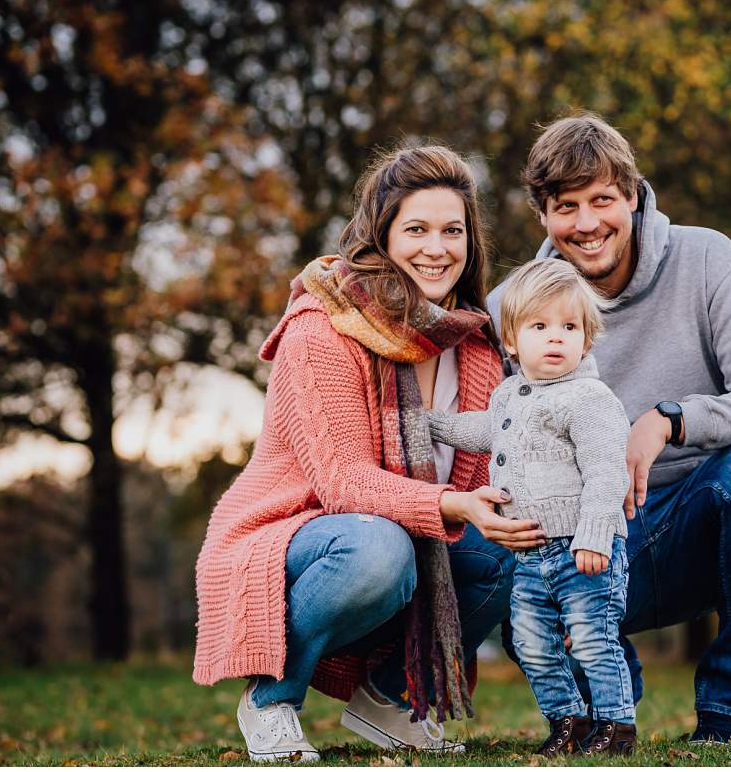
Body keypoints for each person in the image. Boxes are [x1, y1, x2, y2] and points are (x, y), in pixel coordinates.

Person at [193, 145, 540, 763]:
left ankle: (389, 701)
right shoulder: (323, 326)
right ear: (380, 235)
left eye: (452, 231)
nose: (437, 248)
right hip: (299, 537)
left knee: (514, 537)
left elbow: (490, 468)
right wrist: (454, 503)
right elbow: (343, 481)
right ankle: (271, 701)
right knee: (378, 548)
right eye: (417, 230)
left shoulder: (476, 341)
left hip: (413, 542)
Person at [487, 113, 731, 745]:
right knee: (494, 561)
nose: (586, 224)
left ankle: (726, 714)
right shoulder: (511, 306)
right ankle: (608, 688)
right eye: (566, 207)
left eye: (602, 201)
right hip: (584, 542)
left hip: (701, 518)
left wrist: (672, 420)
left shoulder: (706, 259)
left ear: (634, 197)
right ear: (543, 216)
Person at [427, 258, 636, 757]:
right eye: (540, 327)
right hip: (530, 555)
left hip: (583, 551)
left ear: (587, 338)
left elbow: (608, 472)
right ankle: (568, 721)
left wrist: (594, 535)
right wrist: (431, 423)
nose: (556, 338)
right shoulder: (509, 396)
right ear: (513, 342)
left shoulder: (589, 398)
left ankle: (616, 726)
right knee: (532, 646)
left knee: (592, 640)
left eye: (569, 327)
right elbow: (481, 431)